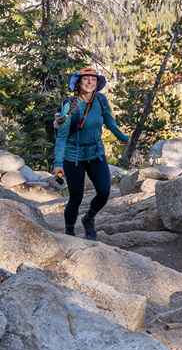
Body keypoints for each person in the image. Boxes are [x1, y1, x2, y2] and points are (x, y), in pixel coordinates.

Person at [52, 67, 129, 240]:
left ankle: (89, 218)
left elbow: (109, 121)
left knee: (104, 192)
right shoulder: (69, 106)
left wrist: (123, 137)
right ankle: (69, 233)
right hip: (73, 157)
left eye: (93, 80)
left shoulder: (101, 100)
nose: (89, 82)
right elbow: (62, 137)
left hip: (96, 153)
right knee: (76, 198)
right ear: (78, 83)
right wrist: (58, 163)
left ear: (97, 83)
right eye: (85, 79)